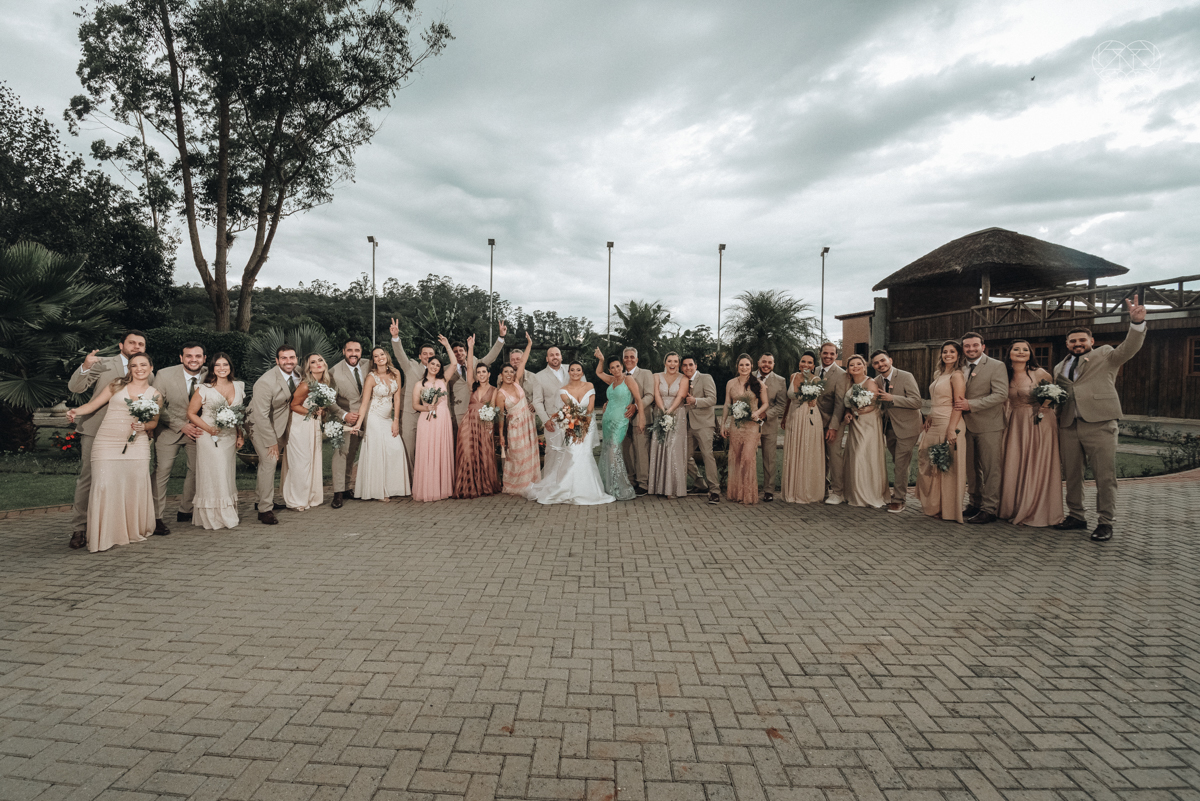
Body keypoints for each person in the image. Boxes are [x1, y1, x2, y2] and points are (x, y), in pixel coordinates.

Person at [1052, 296, 1147, 542]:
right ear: (1067, 344)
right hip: (1068, 425)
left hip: (1100, 424)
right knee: (1072, 474)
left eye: (1082, 340)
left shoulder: (1105, 355)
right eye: (1073, 341)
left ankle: (1105, 522)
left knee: (1105, 476)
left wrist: (1136, 324)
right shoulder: (1058, 367)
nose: (1077, 343)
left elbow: (1129, 348)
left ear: (1091, 341)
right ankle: (1076, 515)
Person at [66, 330, 156, 548]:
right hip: (97, 430)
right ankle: (80, 528)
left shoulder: (148, 373)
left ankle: (116, 526)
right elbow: (76, 388)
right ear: (120, 345)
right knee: (90, 479)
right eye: (132, 343)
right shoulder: (103, 363)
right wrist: (85, 366)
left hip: (128, 435)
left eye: (140, 344)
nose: (136, 347)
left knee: (123, 480)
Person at [522, 361, 614, 506]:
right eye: (572, 370)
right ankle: (566, 489)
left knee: (585, 455)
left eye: (578, 370)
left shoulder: (589, 386)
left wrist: (584, 428)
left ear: (582, 372)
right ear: (569, 372)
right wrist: (576, 428)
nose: (575, 372)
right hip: (572, 425)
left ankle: (587, 490)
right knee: (572, 454)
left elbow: (590, 409)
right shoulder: (563, 390)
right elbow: (571, 409)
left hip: (587, 426)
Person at [999, 340, 1063, 528]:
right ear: (1009, 353)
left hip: (1039, 421)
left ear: (1030, 354)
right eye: (1016, 349)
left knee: (1035, 462)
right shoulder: (1005, 374)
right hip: (1015, 422)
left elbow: (1054, 394)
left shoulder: (1040, 373)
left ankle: (1034, 507)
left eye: (1025, 349)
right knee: (1015, 461)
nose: (1021, 352)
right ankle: (1012, 506)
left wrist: (1043, 408)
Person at [954, 331, 1009, 524]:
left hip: (989, 425)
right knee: (971, 468)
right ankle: (974, 503)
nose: (971, 349)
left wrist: (972, 405)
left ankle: (989, 509)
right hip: (965, 425)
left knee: (990, 468)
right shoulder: (958, 367)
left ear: (983, 346)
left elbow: (1001, 395)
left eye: (975, 345)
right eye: (967, 346)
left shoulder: (996, 366)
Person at [186, 352, 245, 530]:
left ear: (230, 367)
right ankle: (216, 516)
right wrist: (209, 428)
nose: (221, 368)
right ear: (212, 368)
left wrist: (240, 435)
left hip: (229, 437)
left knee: (226, 473)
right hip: (208, 435)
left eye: (225, 365)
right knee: (216, 473)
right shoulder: (204, 388)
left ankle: (226, 511)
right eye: (217, 365)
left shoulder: (239, 385)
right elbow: (191, 413)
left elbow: (239, 414)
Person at [152, 340, 206, 530]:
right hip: (169, 430)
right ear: (181, 358)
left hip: (197, 432)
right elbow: (157, 405)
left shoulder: (212, 374)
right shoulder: (164, 375)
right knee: (162, 472)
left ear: (204, 359)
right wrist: (181, 425)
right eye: (189, 356)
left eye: (198, 356)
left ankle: (186, 510)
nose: (193, 360)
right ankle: (155, 518)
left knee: (196, 470)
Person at [390, 319, 457, 472]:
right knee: (410, 448)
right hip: (412, 414)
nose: (428, 357)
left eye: (431, 354)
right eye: (425, 354)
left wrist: (447, 345)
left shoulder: (440, 374)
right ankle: (411, 482)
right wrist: (395, 338)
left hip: (436, 416)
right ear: (420, 356)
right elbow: (400, 354)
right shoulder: (410, 366)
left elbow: (453, 365)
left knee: (432, 449)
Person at [346, 347, 411, 501]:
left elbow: (397, 399)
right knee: (377, 453)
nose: (380, 357)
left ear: (386, 356)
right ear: (373, 360)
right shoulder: (371, 377)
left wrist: (396, 421)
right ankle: (379, 490)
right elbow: (364, 403)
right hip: (374, 418)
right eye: (376, 356)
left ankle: (394, 486)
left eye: (382, 354)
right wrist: (358, 424)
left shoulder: (396, 373)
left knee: (395, 449)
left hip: (388, 418)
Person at [917, 341, 968, 523]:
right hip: (935, 422)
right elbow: (937, 399)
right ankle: (935, 505)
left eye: (952, 351)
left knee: (947, 468)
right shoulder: (939, 374)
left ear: (958, 355)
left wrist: (952, 429)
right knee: (929, 463)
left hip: (949, 422)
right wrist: (929, 414)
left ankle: (948, 509)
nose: (948, 354)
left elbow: (958, 404)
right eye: (945, 351)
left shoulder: (957, 375)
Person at [248, 344, 299, 524]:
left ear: (296, 359)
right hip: (259, 424)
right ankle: (264, 510)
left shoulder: (298, 373)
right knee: (269, 461)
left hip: (280, 422)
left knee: (267, 463)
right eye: (284, 358)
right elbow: (260, 415)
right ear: (277, 361)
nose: (288, 361)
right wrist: (271, 442)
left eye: (291, 357)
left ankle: (260, 499)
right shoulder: (265, 382)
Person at [870, 349, 924, 513]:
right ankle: (898, 494)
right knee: (898, 462)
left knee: (900, 464)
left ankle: (899, 500)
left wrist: (892, 398)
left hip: (908, 427)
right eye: (876, 363)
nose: (880, 364)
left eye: (883, 361)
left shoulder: (906, 376)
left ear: (890, 360)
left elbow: (917, 402)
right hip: (889, 428)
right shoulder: (876, 381)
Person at [282, 353, 334, 511]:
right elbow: (294, 405)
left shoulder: (323, 383)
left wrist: (321, 410)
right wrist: (311, 412)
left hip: (313, 425)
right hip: (300, 427)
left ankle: (310, 496)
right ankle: (295, 500)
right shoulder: (306, 384)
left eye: (320, 360)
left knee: (312, 460)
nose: (318, 364)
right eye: (313, 362)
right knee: (301, 463)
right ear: (308, 367)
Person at [411, 335, 459, 502]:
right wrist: (427, 407)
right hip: (427, 420)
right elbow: (415, 405)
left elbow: (454, 364)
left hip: (443, 420)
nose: (435, 367)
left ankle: (443, 489)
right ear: (427, 365)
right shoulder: (419, 384)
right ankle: (428, 489)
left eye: (438, 365)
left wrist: (446, 345)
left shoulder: (443, 380)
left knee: (441, 452)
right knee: (427, 453)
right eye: (432, 364)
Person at [594, 349, 646, 501]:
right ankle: (609, 486)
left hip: (620, 422)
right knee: (608, 451)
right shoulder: (612, 380)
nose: (615, 370)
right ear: (610, 369)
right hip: (607, 420)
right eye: (612, 368)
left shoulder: (628, 379)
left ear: (622, 366)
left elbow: (638, 399)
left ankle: (620, 487)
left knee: (614, 452)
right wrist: (601, 361)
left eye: (618, 366)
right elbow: (598, 373)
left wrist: (641, 418)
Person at [454, 335, 502, 499]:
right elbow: (468, 365)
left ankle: (483, 486)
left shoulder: (495, 390)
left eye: (484, 372)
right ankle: (466, 486)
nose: (481, 374)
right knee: (467, 452)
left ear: (489, 374)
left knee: (484, 454)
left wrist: (491, 424)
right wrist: (470, 347)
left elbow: (495, 410)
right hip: (468, 422)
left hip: (484, 424)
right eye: (478, 372)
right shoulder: (471, 386)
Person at [839, 354, 889, 509]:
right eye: (852, 365)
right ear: (848, 369)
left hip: (869, 424)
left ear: (864, 366)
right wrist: (848, 412)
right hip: (855, 425)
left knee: (864, 456)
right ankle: (854, 493)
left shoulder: (870, 382)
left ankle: (869, 494)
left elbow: (872, 405)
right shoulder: (848, 383)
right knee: (854, 456)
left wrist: (857, 411)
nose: (855, 367)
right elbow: (848, 405)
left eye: (858, 364)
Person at [720, 354, 769, 505]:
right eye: (741, 365)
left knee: (747, 458)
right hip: (736, 424)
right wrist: (723, 424)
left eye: (747, 365)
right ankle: (736, 493)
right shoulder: (730, 383)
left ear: (752, 366)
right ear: (737, 366)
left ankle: (747, 494)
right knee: (736, 458)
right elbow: (727, 404)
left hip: (752, 425)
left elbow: (766, 403)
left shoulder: (758, 384)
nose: (744, 368)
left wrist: (756, 412)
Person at [780, 352, 825, 504]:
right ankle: (791, 490)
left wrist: (813, 395)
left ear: (814, 366)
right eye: (803, 361)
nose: (805, 365)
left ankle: (805, 490)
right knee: (793, 451)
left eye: (809, 363)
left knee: (806, 451)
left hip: (808, 418)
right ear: (799, 363)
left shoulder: (816, 379)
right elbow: (789, 398)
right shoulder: (793, 376)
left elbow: (814, 401)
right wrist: (785, 417)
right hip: (793, 418)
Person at [498, 333, 538, 494]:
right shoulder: (500, 394)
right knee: (517, 455)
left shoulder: (516, 382)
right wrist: (501, 435)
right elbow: (500, 415)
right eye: (505, 372)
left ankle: (530, 482)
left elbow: (523, 361)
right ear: (501, 375)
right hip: (514, 427)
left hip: (528, 424)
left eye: (511, 372)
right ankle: (516, 484)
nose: (509, 374)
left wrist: (529, 344)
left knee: (529, 453)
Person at [647, 352, 690, 497]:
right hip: (660, 412)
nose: (673, 364)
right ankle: (659, 487)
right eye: (670, 361)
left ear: (678, 364)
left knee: (673, 447)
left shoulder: (684, 378)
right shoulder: (656, 376)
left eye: (676, 361)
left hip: (678, 414)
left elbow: (681, 396)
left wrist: (670, 411)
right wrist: (663, 410)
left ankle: (673, 488)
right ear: (665, 363)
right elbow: (656, 394)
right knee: (660, 446)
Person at [329, 339, 364, 509]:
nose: (353, 354)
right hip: (344, 420)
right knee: (341, 454)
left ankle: (348, 487)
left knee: (353, 454)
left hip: (365, 419)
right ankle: (337, 493)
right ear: (344, 351)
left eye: (357, 350)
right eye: (350, 350)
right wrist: (344, 415)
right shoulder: (334, 371)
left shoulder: (368, 365)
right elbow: (330, 400)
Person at [449, 323, 506, 426]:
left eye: (461, 350)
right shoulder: (446, 370)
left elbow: (491, 356)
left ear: (466, 353)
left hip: (478, 410)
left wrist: (501, 337)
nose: (459, 353)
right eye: (455, 352)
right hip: (457, 412)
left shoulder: (476, 364)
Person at [817, 343, 852, 505]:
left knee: (835, 456)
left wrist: (833, 427)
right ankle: (822, 489)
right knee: (819, 457)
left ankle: (838, 492)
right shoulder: (814, 371)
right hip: (816, 422)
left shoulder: (841, 374)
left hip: (833, 422)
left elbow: (840, 404)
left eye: (832, 354)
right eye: (825, 353)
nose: (828, 356)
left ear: (836, 355)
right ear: (820, 353)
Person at [681, 356, 720, 504]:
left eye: (691, 364)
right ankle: (699, 483)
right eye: (684, 365)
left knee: (707, 456)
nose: (688, 368)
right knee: (684, 456)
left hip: (704, 424)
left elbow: (712, 399)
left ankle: (714, 491)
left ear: (696, 365)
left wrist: (695, 401)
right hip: (687, 425)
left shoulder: (705, 378)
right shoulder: (682, 380)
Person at [620, 347, 655, 496]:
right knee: (626, 452)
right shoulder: (619, 375)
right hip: (622, 420)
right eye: (626, 357)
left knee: (641, 452)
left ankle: (643, 484)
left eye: (632, 357)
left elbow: (650, 395)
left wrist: (636, 406)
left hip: (641, 418)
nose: (629, 359)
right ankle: (631, 480)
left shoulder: (646, 374)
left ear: (637, 359)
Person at [754, 354, 788, 502]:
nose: (766, 365)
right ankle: (750, 487)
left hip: (769, 424)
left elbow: (781, 404)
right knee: (748, 457)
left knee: (769, 459)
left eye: (769, 362)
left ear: (773, 364)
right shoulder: (748, 376)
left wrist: (765, 414)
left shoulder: (780, 381)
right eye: (764, 362)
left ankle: (769, 490)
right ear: (758, 362)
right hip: (749, 425)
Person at [532, 345, 570, 474]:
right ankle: (551, 482)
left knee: (571, 452)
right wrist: (545, 420)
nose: (555, 357)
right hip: (552, 422)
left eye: (557, 354)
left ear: (561, 356)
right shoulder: (539, 376)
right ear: (547, 358)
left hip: (572, 420)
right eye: (552, 355)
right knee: (553, 453)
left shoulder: (572, 370)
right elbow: (537, 401)